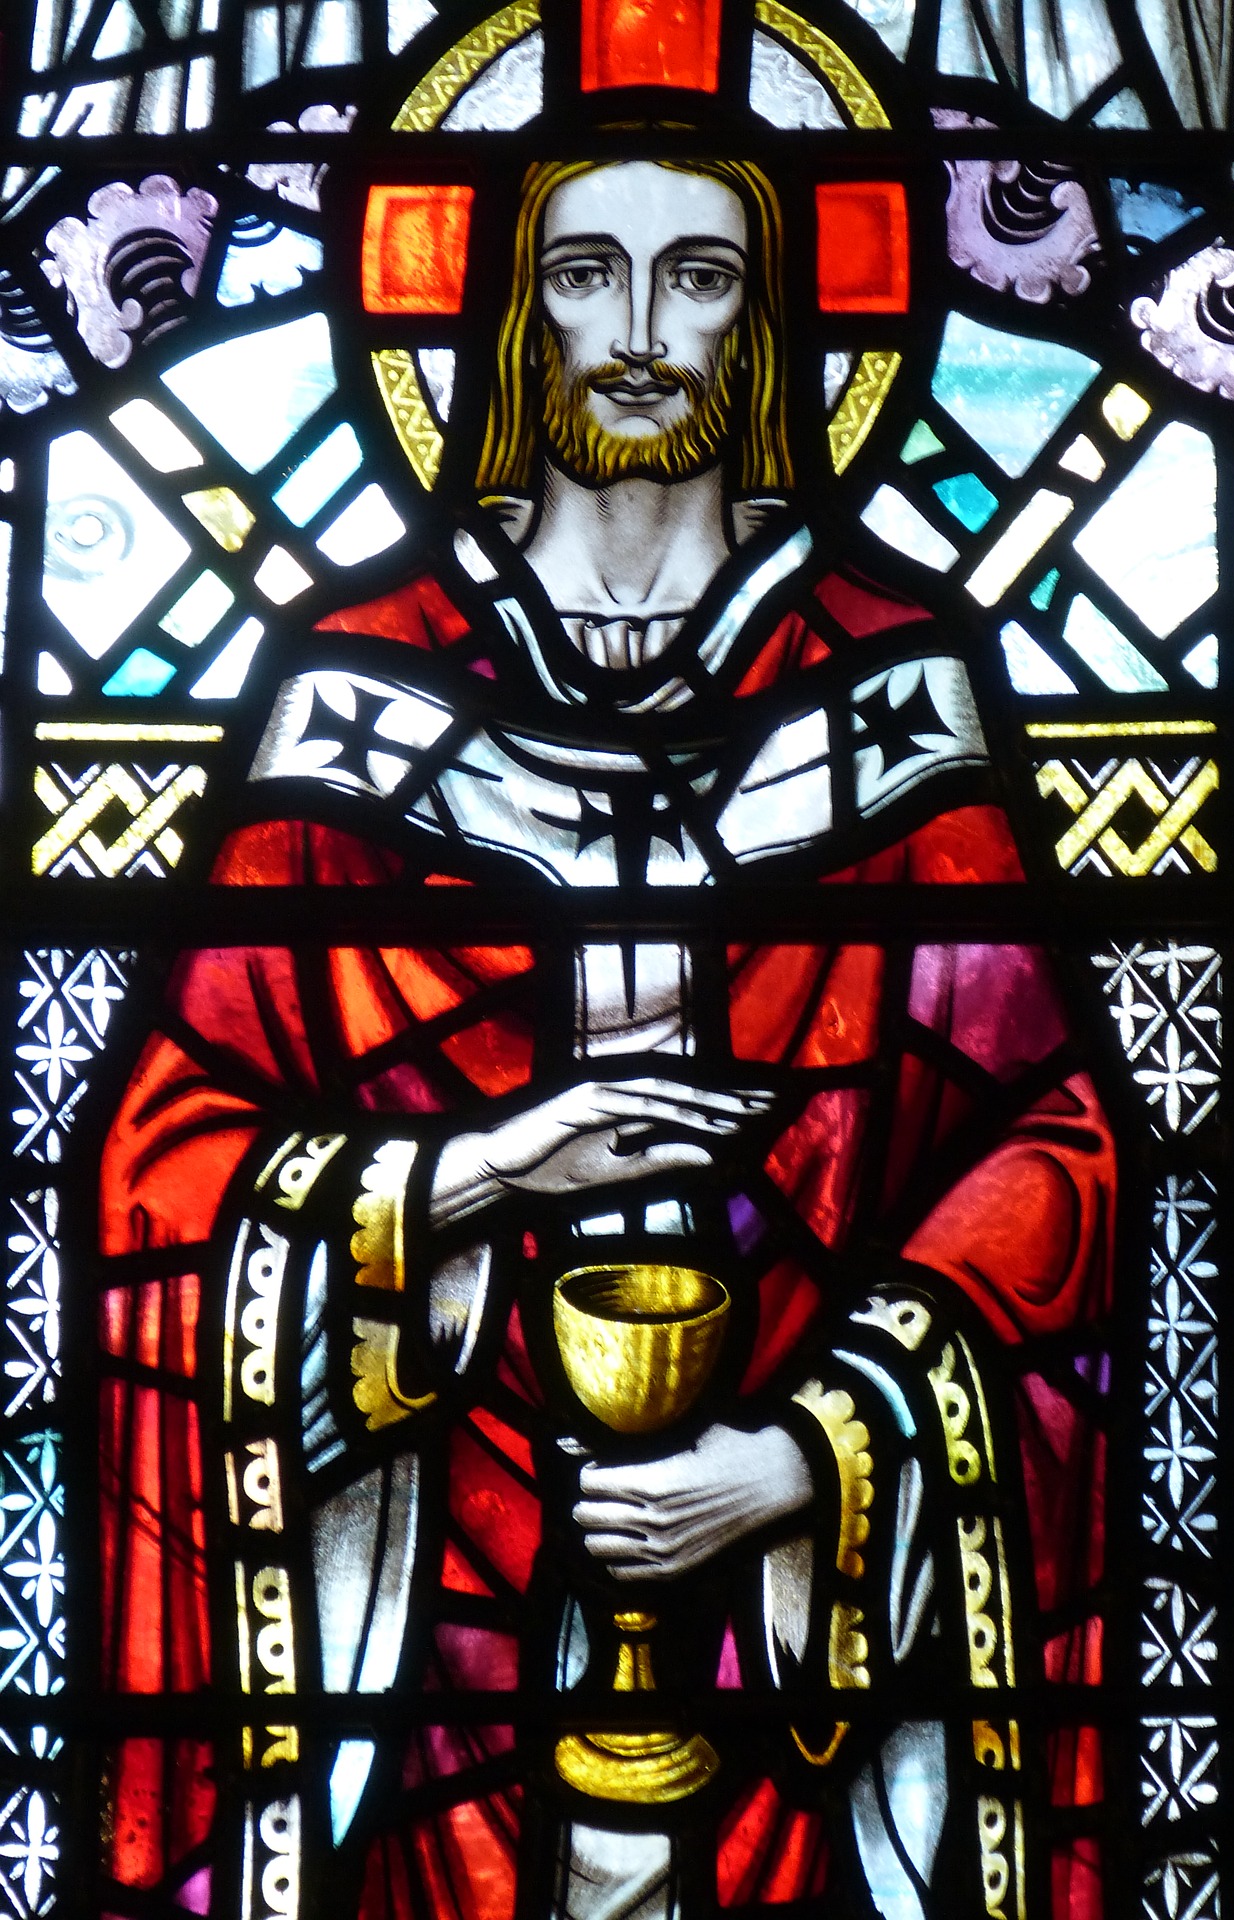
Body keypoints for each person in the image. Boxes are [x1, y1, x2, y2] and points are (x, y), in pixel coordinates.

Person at [98, 155, 1116, 1920]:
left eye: (699, 278)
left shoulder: (891, 691)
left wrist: (813, 1456)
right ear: (514, 321)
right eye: (586, 273)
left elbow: (1056, 1150)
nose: (641, 332)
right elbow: (159, 1167)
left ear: (768, 328)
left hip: (797, 1627)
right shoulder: (354, 691)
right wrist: (475, 1176)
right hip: (441, 1604)